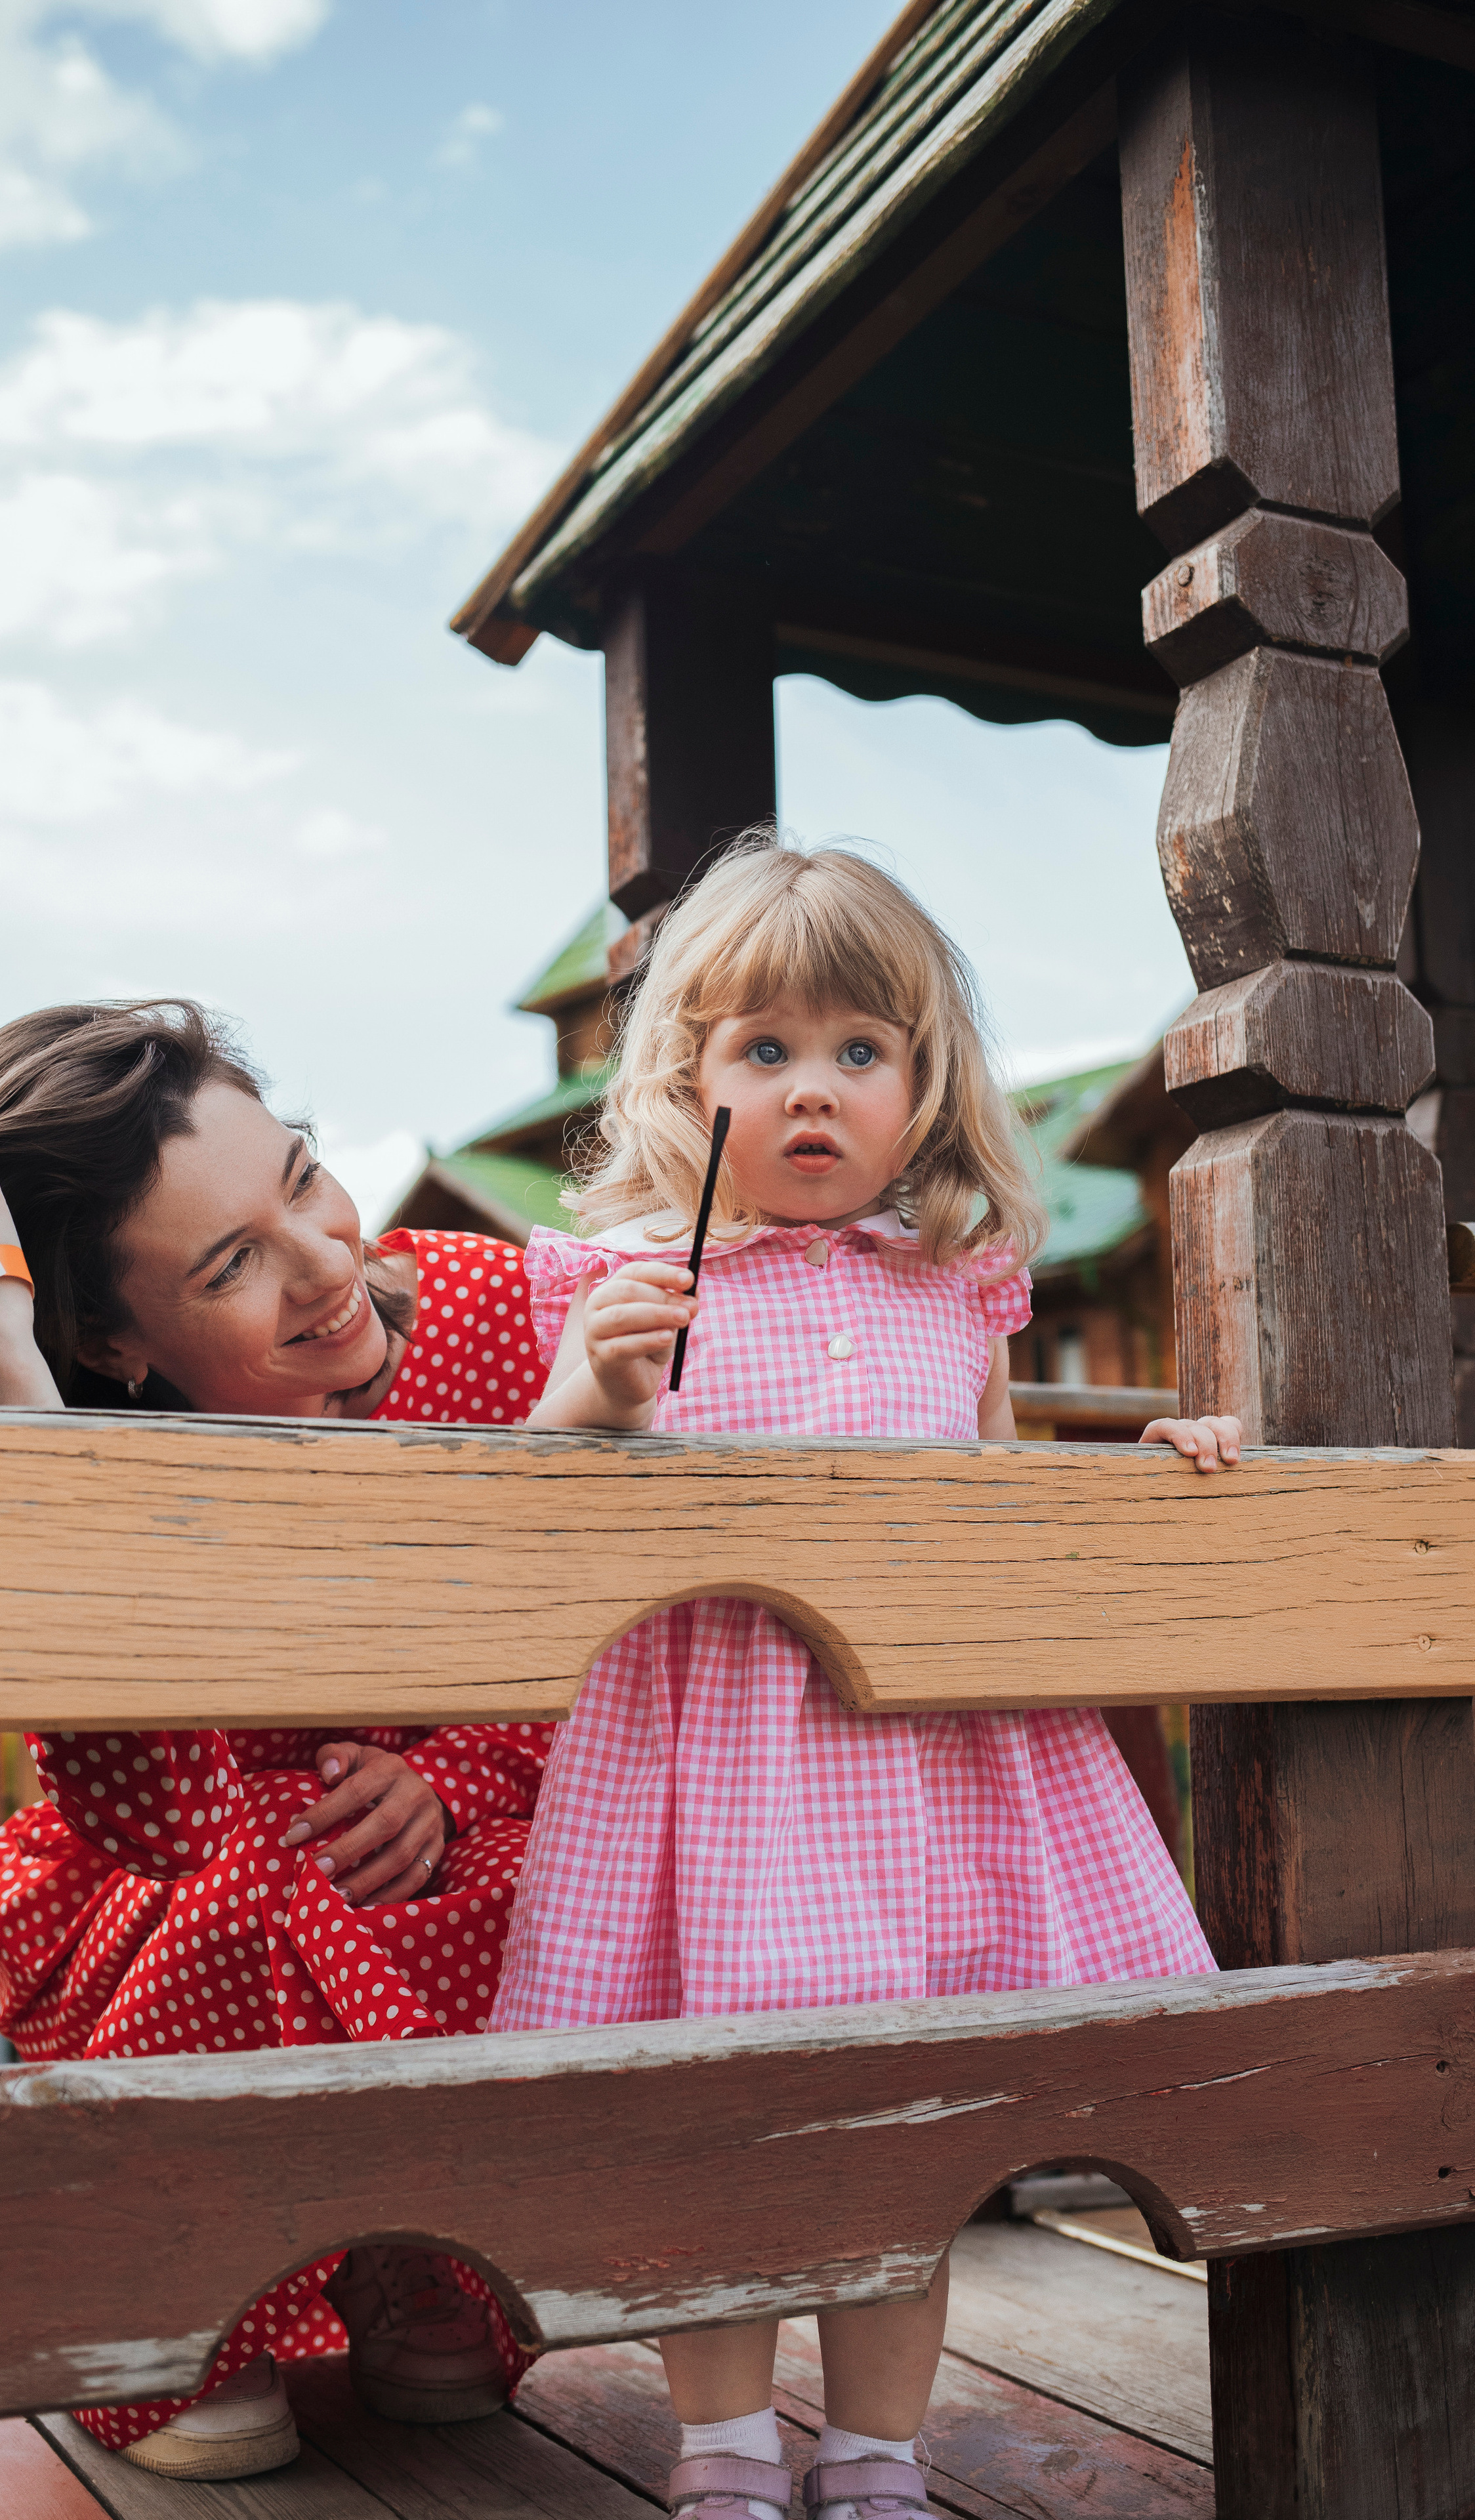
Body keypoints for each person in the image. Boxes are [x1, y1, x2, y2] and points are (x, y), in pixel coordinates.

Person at [493, 839, 1239, 2520]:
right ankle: (724, 2447)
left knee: (910, 2127)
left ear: (922, 1084)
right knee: (730, 2123)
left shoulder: (949, 1284)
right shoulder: (623, 1283)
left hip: (920, 1763)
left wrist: (1144, 1461)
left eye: (857, 1052)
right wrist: (591, 1405)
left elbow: (991, 1494)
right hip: (721, 1764)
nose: (811, 1090)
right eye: (763, 1052)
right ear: (691, 1081)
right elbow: (544, 1509)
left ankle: (884, 2454)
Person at [0, 1000, 552, 2481]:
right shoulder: (104, 1439)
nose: (326, 1265)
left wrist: (447, 1773)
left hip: (462, 1843)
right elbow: (154, 1816)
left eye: (299, 1180)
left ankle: (408, 2238)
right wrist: (16, 1390)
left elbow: (602, 1657)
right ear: (109, 1336)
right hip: (178, 1892)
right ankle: (181, 2307)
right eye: (231, 1266)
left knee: (563, 1873)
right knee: (251, 1875)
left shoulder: (483, 1315)